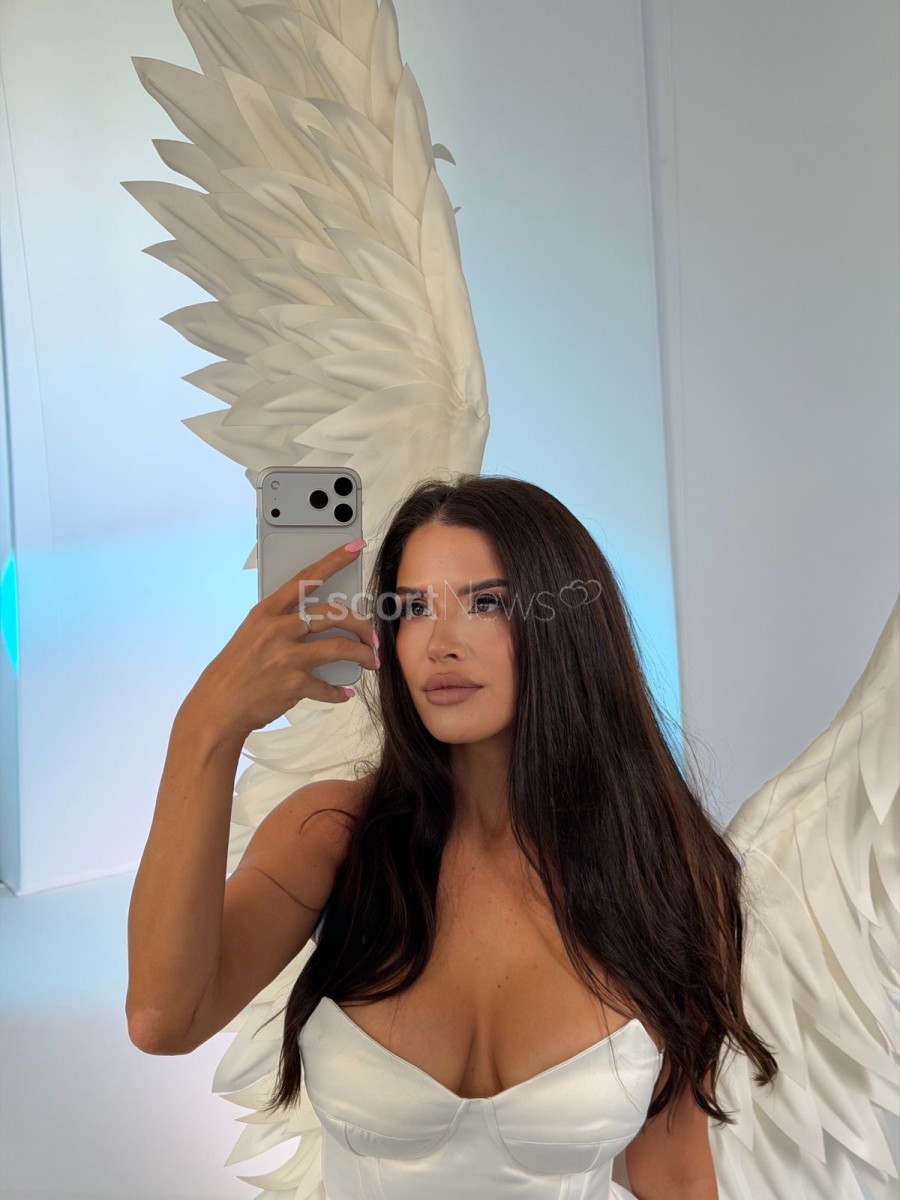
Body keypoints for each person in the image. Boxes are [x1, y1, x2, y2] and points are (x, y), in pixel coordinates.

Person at [127, 474, 776, 1199]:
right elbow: (163, 1019)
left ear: (566, 627)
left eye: (486, 603)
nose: (439, 643)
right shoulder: (331, 839)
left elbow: (676, 1176)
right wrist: (207, 727)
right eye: (411, 609)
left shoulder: (667, 874)